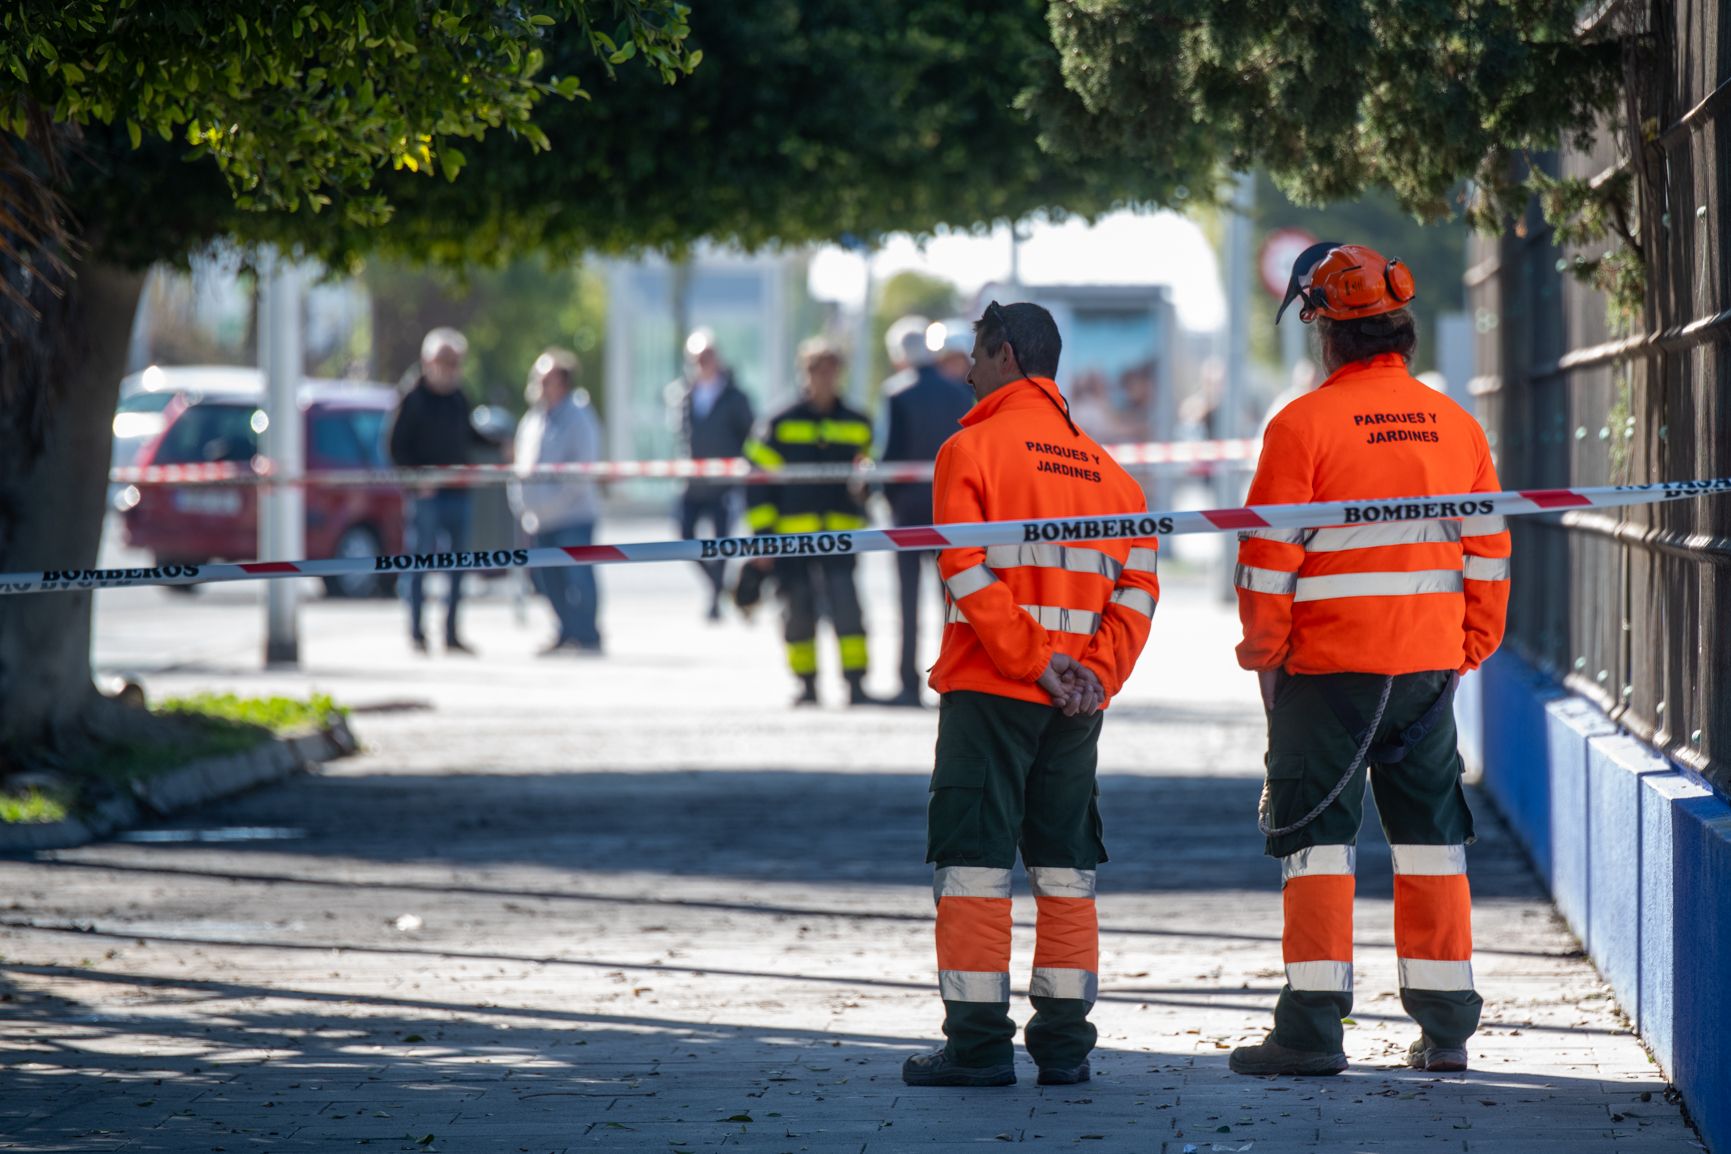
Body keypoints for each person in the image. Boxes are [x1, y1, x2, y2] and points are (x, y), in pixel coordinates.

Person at [1229, 243, 1512, 1077]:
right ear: (1402, 330)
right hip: (1428, 672)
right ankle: (1447, 1026)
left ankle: (1311, 1033)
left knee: (1317, 844)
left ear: (1324, 333)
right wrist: (1468, 648)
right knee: (1431, 842)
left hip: (1326, 674)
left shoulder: (1300, 426)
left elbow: (1265, 559)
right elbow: (1488, 550)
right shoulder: (1455, 425)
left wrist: (1264, 658)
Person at [901, 301, 1161, 1089]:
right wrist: (1093, 676)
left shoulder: (968, 450)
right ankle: (1064, 1049)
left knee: (975, 865)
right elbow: (1139, 589)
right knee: (1065, 866)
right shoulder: (1113, 476)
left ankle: (977, 1049)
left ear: (1005, 355)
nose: (967, 373)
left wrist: (1034, 662)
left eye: (976, 357)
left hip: (992, 690)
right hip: (1076, 705)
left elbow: (964, 570)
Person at [743, 339, 877, 707]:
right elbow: (756, 486)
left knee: (848, 610)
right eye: (818, 370)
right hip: (792, 538)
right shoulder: (778, 423)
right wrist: (764, 540)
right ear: (805, 373)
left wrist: (867, 486)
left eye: (832, 370)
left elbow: (873, 474)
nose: (825, 378)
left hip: (840, 536)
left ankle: (856, 684)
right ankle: (807, 685)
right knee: (797, 614)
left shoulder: (857, 422)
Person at [877, 315, 972, 707]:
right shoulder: (959, 394)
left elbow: (887, 455)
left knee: (907, 601)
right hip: (950, 509)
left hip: (907, 511)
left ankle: (907, 683)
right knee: (951, 600)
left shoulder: (896, 394)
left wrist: (886, 497)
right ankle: (953, 678)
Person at [388, 327, 489, 655]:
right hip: (426, 497)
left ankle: (451, 633)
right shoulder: (412, 398)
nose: (451, 369)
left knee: (458, 566)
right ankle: (417, 632)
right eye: (445, 361)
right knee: (418, 565)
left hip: (458, 493)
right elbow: (395, 448)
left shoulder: (459, 397)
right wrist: (417, 481)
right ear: (428, 361)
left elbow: (469, 435)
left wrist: (499, 445)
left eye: (457, 362)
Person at [511, 348, 605, 656]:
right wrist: (524, 506)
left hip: (573, 516)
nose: (539, 384)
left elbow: (581, 471)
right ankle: (566, 631)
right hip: (540, 519)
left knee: (579, 577)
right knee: (547, 579)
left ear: (562, 382)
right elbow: (521, 466)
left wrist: (550, 503)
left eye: (546, 378)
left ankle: (588, 635)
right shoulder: (533, 419)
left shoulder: (579, 417)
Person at [676, 329, 756, 620]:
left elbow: (750, 435)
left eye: (707, 356)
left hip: (724, 483)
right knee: (685, 536)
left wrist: (741, 471)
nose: (703, 363)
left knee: (722, 542)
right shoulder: (685, 395)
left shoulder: (735, 397)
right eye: (697, 358)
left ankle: (715, 598)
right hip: (693, 483)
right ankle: (718, 585)